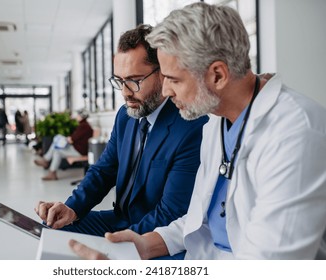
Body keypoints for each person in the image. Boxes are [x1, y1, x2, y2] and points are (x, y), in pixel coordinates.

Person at [69, 3, 326, 260]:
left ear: (217, 75)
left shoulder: (297, 132)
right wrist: (142, 246)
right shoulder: (216, 121)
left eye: (174, 79)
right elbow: (196, 221)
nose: (166, 91)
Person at [35, 24, 208, 246]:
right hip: (119, 220)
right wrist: (72, 208)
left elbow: (171, 213)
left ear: (163, 74)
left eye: (134, 80)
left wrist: (117, 245)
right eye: (120, 80)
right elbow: (104, 170)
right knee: (51, 230)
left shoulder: (191, 127)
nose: (125, 92)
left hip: (154, 233)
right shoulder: (126, 117)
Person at [34, 108, 93, 180]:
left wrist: (66, 139)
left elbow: (72, 140)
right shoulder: (84, 125)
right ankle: (50, 170)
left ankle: (47, 163)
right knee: (56, 146)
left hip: (79, 151)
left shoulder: (83, 126)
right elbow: (74, 138)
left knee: (57, 149)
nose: (76, 116)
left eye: (77, 115)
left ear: (81, 116)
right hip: (77, 148)